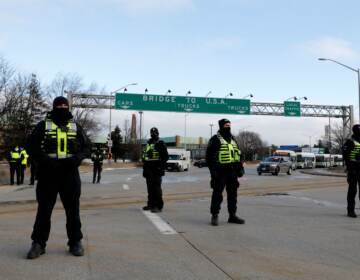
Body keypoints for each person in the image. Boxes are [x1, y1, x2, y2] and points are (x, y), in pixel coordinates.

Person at [26, 96, 90, 259]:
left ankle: (75, 242)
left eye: (64, 106)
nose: (62, 108)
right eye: (59, 106)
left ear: (68, 107)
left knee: (73, 211)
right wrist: (45, 160)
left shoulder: (76, 127)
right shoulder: (43, 126)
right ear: (54, 107)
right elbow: (31, 147)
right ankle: (38, 243)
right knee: (44, 211)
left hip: (70, 173)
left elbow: (87, 147)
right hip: (48, 173)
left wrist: (77, 158)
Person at [206, 119, 245, 226]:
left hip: (232, 172)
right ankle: (214, 215)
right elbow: (209, 157)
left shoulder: (233, 140)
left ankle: (232, 215)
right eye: (226, 125)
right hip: (220, 172)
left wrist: (240, 168)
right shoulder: (215, 139)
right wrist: (213, 172)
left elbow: (239, 155)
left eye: (229, 125)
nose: (228, 127)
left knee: (233, 195)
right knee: (217, 195)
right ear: (221, 126)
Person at [142, 127, 168, 213]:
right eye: (152, 132)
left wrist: (161, 167)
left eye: (155, 132)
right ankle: (151, 204)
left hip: (157, 169)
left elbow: (165, 157)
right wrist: (144, 169)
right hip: (149, 168)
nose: (153, 134)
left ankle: (158, 206)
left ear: (158, 133)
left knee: (157, 188)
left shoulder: (161, 143)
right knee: (150, 188)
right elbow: (145, 157)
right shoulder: (148, 143)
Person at [342, 124, 360, 218]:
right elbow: (346, 156)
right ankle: (351, 211)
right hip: (353, 169)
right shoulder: (350, 142)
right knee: (352, 191)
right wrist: (350, 168)